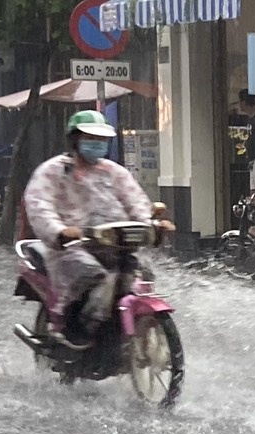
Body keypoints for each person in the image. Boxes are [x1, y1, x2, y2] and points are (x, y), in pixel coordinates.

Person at [21, 110, 160, 344]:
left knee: (141, 276)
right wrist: (59, 231)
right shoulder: (52, 171)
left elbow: (135, 201)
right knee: (92, 275)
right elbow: (39, 205)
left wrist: (152, 224)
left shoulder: (114, 171)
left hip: (113, 244)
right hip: (71, 247)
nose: (97, 144)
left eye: (101, 140)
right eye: (90, 138)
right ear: (75, 139)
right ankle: (75, 331)